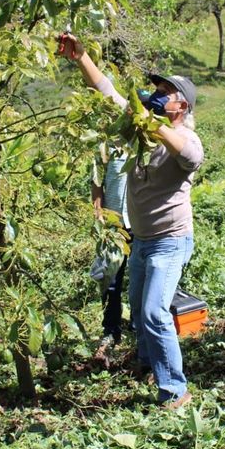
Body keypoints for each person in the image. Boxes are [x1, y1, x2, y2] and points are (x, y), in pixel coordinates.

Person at [57, 33, 203, 409]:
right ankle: (146, 362)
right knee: (138, 309)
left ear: (182, 106)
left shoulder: (186, 137)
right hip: (141, 239)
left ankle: (175, 390)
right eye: (155, 90)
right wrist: (81, 57)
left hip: (170, 241)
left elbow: (189, 156)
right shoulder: (141, 130)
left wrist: (150, 123)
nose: (155, 96)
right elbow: (107, 91)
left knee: (154, 311)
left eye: (165, 93)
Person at [91, 152, 131, 361]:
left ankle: (138, 325)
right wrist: (98, 213)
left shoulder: (149, 138)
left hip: (142, 221)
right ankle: (111, 330)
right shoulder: (106, 144)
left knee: (143, 278)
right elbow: (97, 180)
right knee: (110, 280)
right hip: (113, 223)